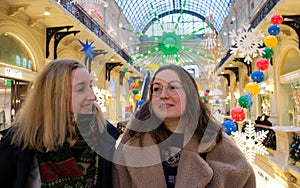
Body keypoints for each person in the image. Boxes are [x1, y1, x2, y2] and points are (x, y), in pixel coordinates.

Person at [113, 64, 256, 188]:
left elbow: (244, 179)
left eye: (173, 87)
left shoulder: (216, 143)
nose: (163, 95)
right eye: (157, 89)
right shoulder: (133, 144)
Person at [0, 59, 120, 187]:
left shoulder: (103, 135)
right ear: (55, 95)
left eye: (90, 86)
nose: (93, 96)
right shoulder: (18, 142)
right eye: (81, 89)